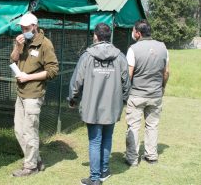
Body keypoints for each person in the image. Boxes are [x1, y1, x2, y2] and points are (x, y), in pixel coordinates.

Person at [69, 23, 130, 185]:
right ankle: (103, 171)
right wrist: (123, 100)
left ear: (96, 36)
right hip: (112, 106)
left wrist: (72, 99)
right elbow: (127, 84)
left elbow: (76, 81)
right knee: (107, 137)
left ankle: (95, 178)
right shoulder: (119, 56)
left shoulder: (87, 56)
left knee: (95, 141)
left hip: (92, 107)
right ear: (108, 36)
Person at [10, 13, 59, 177]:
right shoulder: (22, 41)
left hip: (34, 93)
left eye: (27, 28)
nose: (24, 31)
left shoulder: (45, 44)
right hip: (21, 93)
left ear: (35, 26)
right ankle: (36, 160)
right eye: (22, 28)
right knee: (19, 130)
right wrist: (17, 46)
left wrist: (28, 77)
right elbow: (13, 59)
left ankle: (30, 167)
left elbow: (53, 71)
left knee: (30, 131)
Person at [125, 19, 170, 166]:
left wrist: (125, 92)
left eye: (133, 31)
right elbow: (166, 72)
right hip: (156, 95)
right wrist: (162, 87)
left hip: (136, 95)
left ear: (138, 33)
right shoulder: (163, 47)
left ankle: (132, 159)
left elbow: (129, 74)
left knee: (133, 127)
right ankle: (151, 156)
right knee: (152, 125)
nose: (132, 33)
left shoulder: (133, 49)